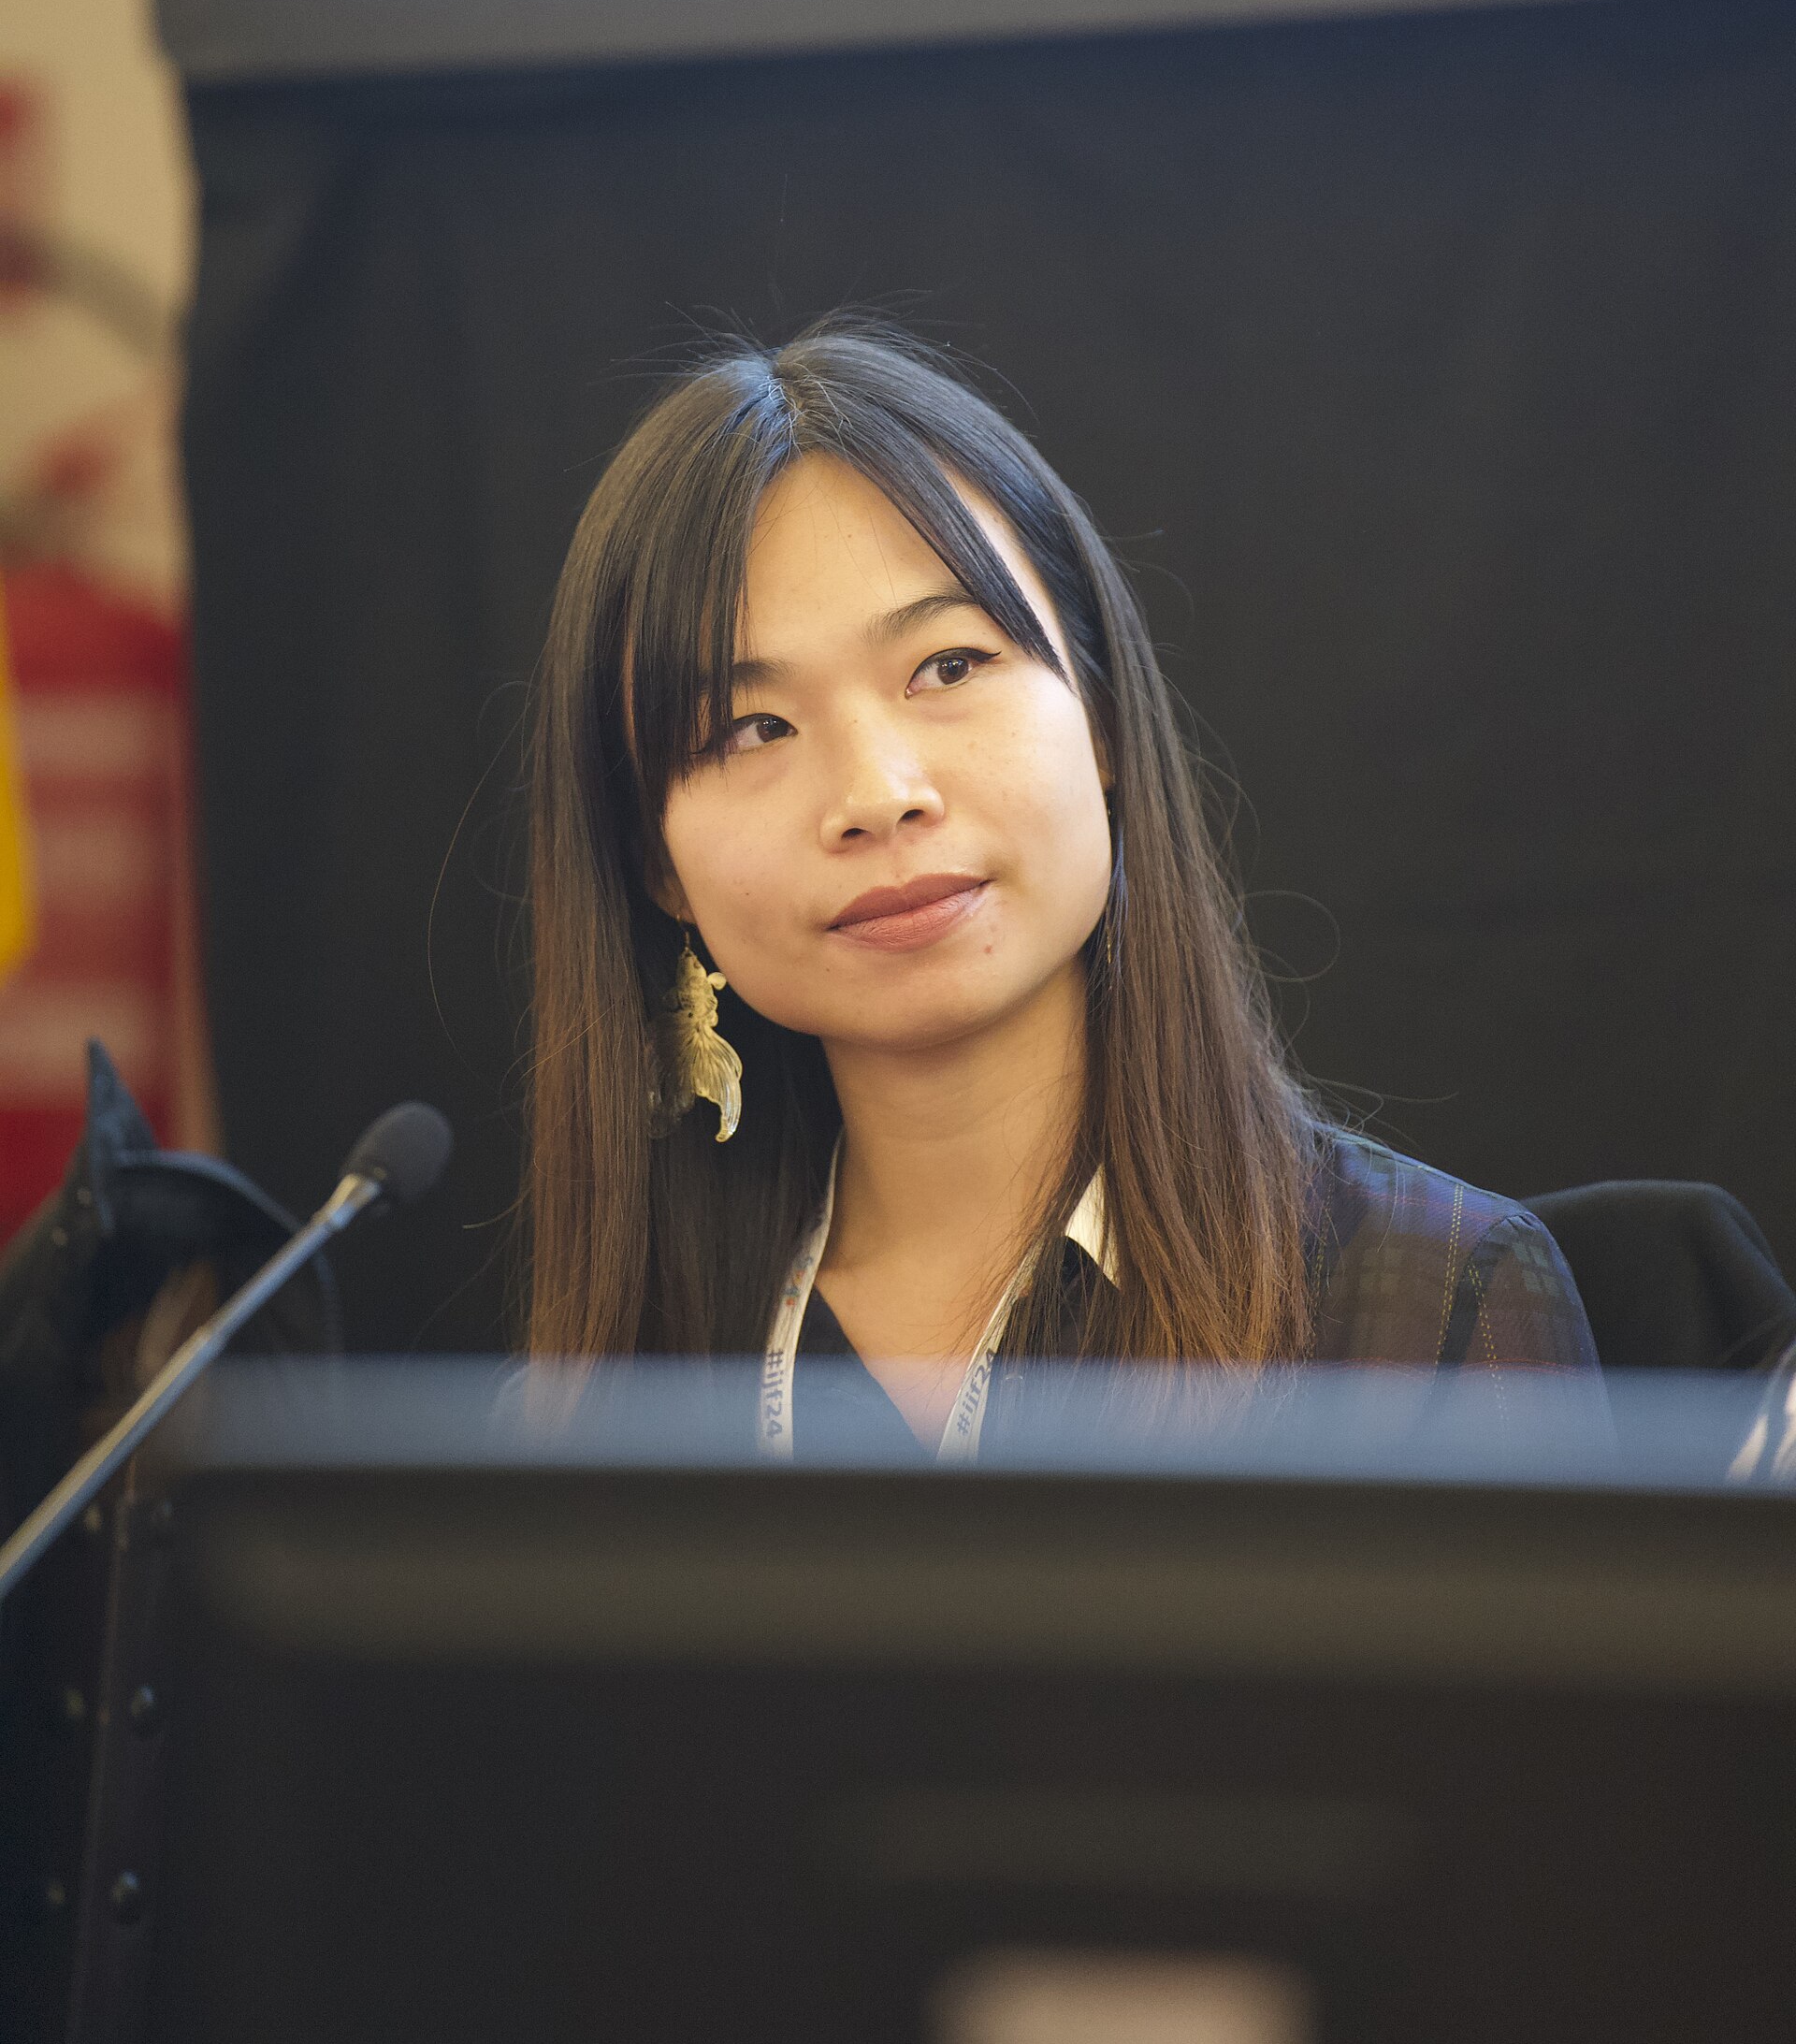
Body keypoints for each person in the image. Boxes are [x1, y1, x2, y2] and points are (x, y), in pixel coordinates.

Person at [524, 322, 1596, 1457]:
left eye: (949, 666)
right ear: (656, 863)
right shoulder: (594, 1398)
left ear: (1103, 722)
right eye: (752, 727)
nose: (879, 795)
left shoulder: (1424, 1303)